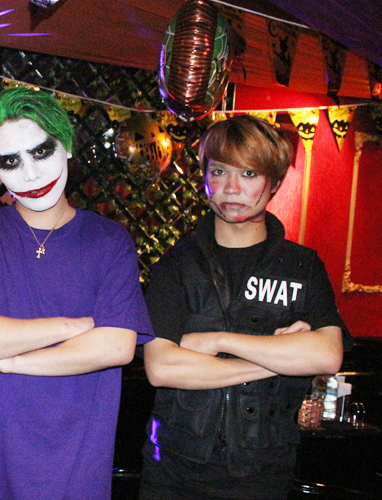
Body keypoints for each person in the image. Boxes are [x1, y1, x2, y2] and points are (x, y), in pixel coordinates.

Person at [0, 87, 153, 499]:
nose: (31, 174)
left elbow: (116, 346)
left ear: (66, 145)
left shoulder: (109, 241)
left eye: (41, 152)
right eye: (11, 161)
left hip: (77, 468)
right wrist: (75, 326)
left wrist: (11, 360)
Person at [139, 114, 348, 500]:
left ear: (274, 182)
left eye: (249, 174)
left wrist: (218, 340)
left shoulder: (301, 266)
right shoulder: (177, 264)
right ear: (205, 178)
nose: (231, 188)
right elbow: (162, 368)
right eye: (219, 171)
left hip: (263, 472)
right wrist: (277, 358)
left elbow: (327, 355)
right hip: (173, 471)